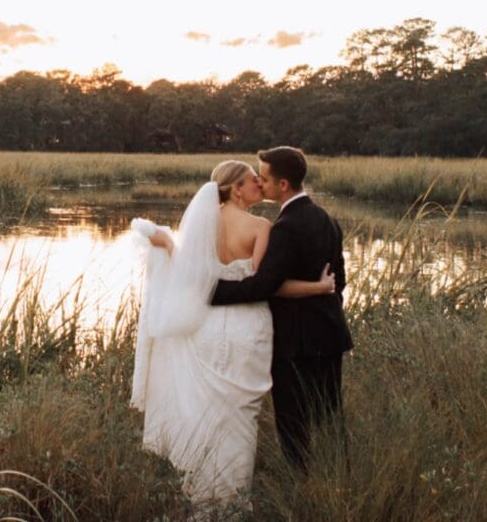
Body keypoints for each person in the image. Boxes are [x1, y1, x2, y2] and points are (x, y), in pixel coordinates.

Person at [130, 160, 334, 507]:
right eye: (253, 181)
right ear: (236, 189)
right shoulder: (261, 226)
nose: (259, 184)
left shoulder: (203, 224)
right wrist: (319, 287)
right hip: (247, 328)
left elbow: (192, 274)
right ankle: (232, 500)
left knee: (210, 408)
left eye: (261, 179)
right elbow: (266, 286)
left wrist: (168, 245)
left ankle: (203, 491)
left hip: (208, 327)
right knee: (240, 413)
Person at [210, 146, 353, 469]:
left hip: (295, 340)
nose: (260, 183)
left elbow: (264, 285)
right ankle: (338, 478)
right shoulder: (328, 220)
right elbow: (339, 281)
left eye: (264, 177)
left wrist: (212, 293)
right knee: (329, 415)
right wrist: (321, 297)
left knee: (293, 421)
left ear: (283, 185)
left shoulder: (286, 227)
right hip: (331, 334)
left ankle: (301, 485)